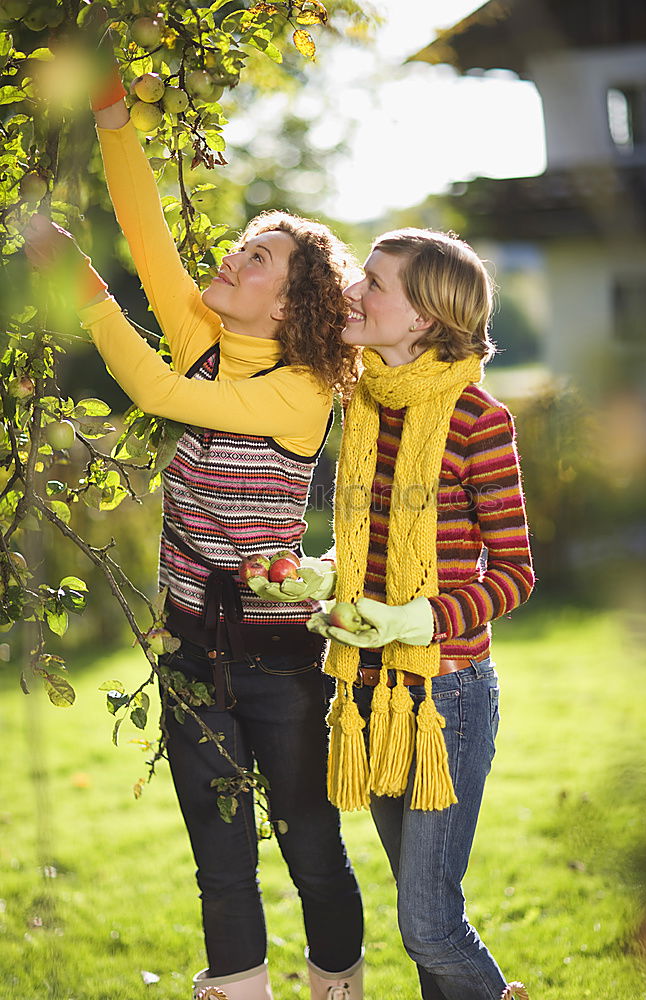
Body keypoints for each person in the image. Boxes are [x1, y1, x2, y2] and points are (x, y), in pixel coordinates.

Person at [23, 67, 365, 1000]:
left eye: (260, 258)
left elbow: (164, 396)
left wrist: (90, 295)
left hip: (277, 659)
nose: (235, 257)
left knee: (312, 852)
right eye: (244, 244)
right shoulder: (202, 329)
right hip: (188, 650)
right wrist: (108, 115)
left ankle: (339, 985)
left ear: (293, 307)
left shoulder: (300, 390)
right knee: (220, 861)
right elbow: (144, 224)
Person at [260, 228, 534, 1000]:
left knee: (428, 926)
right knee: (428, 926)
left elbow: (513, 576)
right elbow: (369, 556)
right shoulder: (365, 404)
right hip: (372, 695)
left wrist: (415, 621)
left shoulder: (479, 420)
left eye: (373, 284)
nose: (354, 291)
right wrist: (314, 578)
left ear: (421, 319)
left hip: (443, 698)